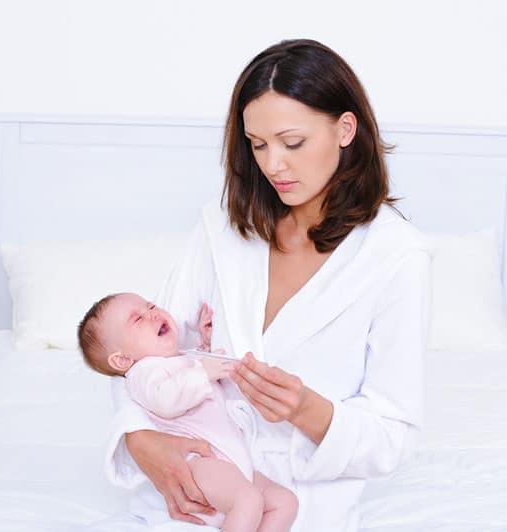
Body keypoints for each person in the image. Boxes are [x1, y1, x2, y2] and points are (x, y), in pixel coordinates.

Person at [104, 39, 432, 531]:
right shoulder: (222, 228)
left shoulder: (396, 257)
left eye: (292, 143)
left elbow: (393, 437)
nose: (273, 164)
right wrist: (139, 438)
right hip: (194, 496)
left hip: (303, 509)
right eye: (257, 145)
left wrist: (307, 410)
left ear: (346, 129)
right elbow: (142, 348)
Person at [78, 292, 298, 531]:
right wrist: (204, 371)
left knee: (284, 502)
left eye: (151, 306)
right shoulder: (143, 373)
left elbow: (200, 374)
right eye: (138, 319)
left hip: (231, 461)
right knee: (248, 501)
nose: (152, 314)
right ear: (122, 360)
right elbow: (165, 398)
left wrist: (205, 344)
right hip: (199, 464)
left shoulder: (180, 359)